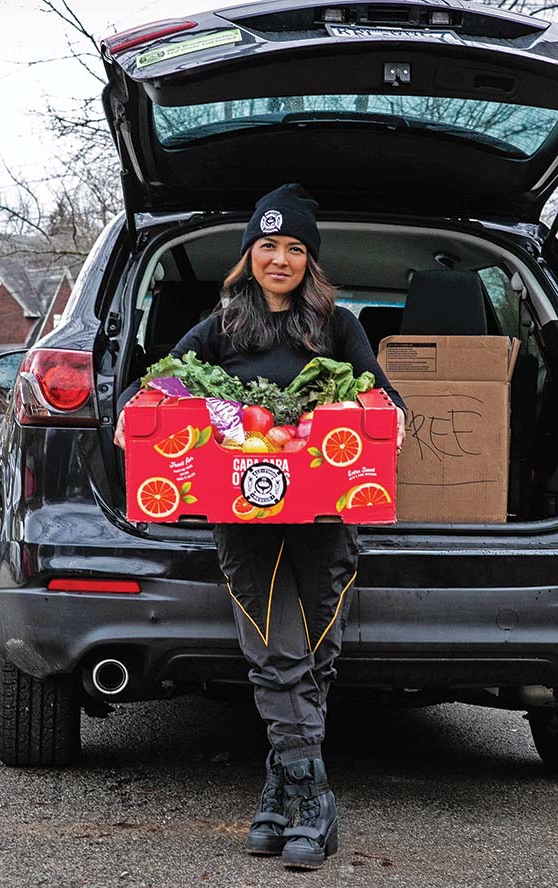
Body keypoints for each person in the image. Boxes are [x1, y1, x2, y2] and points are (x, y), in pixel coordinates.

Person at [115, 183, 406, 870]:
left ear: (310, 260)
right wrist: (135, 413)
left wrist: (383, 416)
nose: (280, 259)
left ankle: (279, 791)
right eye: (268, 245)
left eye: (295, 248)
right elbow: (161, 386)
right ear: (249, 255)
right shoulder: (220, 327)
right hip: (242, 515)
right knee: (276, 648)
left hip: (325, 512)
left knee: (316, 651)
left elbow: (383, 398)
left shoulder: (338, 326)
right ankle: (313, 798)